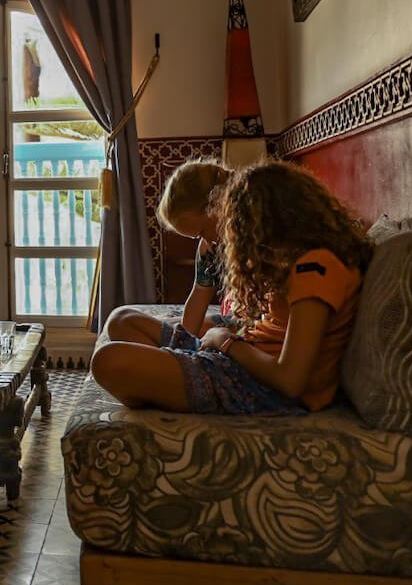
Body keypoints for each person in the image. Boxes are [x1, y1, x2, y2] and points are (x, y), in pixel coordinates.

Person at [91, 160, 371, 414]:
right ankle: (175, 376)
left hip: (258, 387)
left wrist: (226, 341)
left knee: (109, 361)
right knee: (122, 320)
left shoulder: (315, 267)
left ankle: (173, 380)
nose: (233, 233)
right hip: (243, 364)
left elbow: (290, 381)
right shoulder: (299, 260)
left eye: (240, 221)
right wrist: (227, 339)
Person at [104, 159, 231, 345]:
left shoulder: (261, 240)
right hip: (229, 323)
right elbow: (199, 296)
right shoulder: (210, 248)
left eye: (202, 231)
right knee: (120, 321)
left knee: (123, 336)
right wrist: (182, 341)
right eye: (197, 237)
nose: (205, 241)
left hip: (242, 331)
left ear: (218, 205)